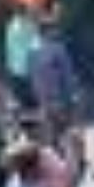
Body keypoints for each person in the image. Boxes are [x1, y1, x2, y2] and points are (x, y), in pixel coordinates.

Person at [28, 15, 80, 145]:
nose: (56, 32)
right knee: (65, 131)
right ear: (47, 31)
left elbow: (32, 75)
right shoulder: (58, 49)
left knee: (49, 132)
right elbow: (67, 74)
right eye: (54, 29)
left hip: (43, 99)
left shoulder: (33, 50)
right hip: (59, 97)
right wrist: (72, 95)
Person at [3, 5, 41, 109]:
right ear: (25, 13)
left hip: (16, 69)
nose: (32, 14)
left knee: (22, 103)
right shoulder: (29, 26)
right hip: (29, 69)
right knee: (33, 103)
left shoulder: (11, 26)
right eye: (30, 11)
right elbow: (36, 47)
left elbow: (9, 48)